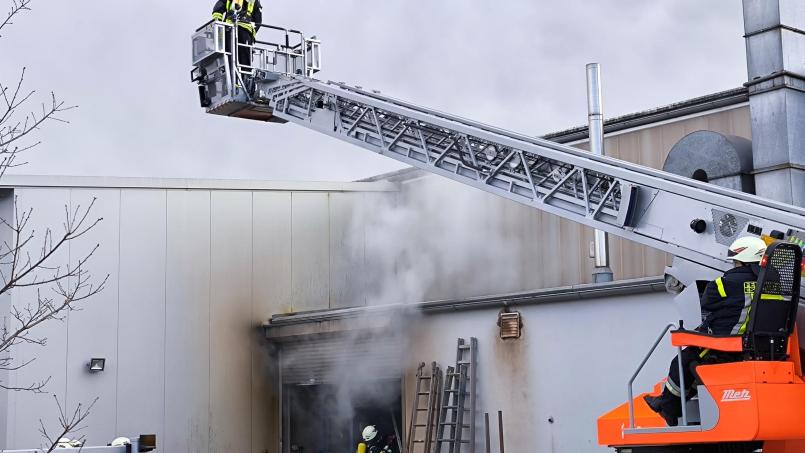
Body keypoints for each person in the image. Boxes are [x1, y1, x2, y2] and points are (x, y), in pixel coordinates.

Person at [644, 236, 767, 426]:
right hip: (756, 346)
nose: (733, 265)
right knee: (694, 367)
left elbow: (707, 301)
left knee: (682, 360)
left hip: (725, 344)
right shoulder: (768, 283)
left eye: (735, 261)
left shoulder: (725, 282)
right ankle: (669, 402)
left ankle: (668, 407)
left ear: (741, 259)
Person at [212, 0, 263, 69]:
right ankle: (239, 72)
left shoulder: (254, 1)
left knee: (243, 57)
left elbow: (258, 21)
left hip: (243, 31)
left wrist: (251, 33)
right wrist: (219, 26)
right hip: (230, 29)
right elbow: (217, 11)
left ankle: (244, 75)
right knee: (230, 55)